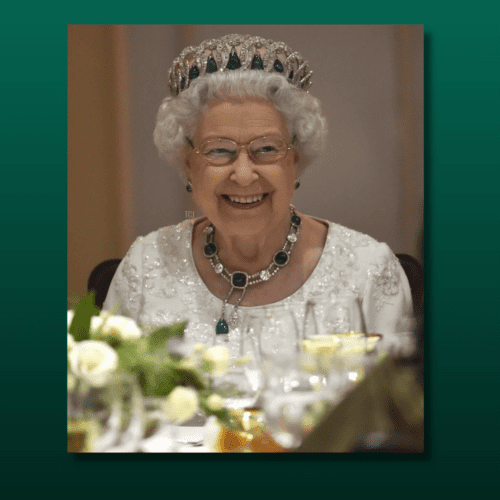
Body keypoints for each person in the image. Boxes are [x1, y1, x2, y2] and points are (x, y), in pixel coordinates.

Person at [103, 34, 414, 360]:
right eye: (219, 151)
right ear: (188, 163)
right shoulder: (144, 266)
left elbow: (396, 407)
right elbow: (107, 402)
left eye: (266, 149)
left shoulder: (368, 272)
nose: (243, 174)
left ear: (296, 159)